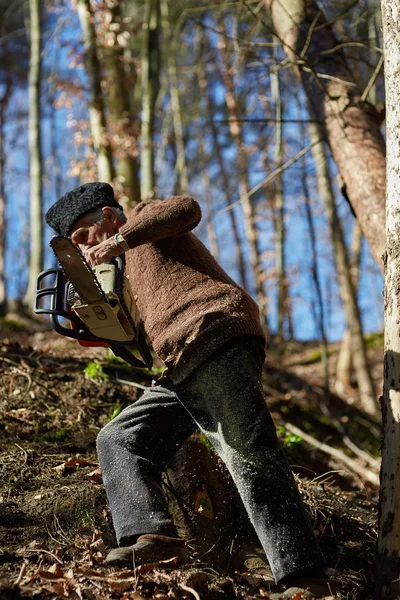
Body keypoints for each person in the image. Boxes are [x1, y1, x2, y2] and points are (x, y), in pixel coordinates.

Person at [45, 182, 328, 588]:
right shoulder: (122, 275)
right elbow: (133, 348)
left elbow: (186, 208)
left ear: (108, 217)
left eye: (83, 238)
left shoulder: (144, 219)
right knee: (119, 439)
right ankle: (153, 536)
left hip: (211, 331)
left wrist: (119, 241)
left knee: (246, 450)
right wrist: (96, 318)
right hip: (179, 364)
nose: (86, 248)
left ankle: (306, 573)